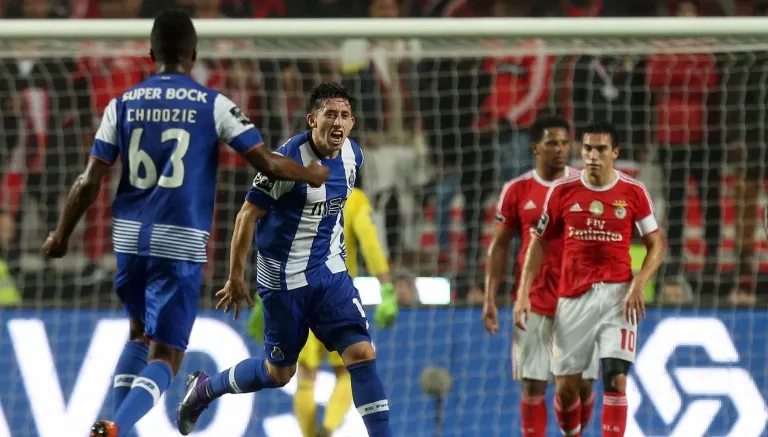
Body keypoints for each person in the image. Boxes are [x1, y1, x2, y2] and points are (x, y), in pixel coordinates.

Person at [40, 9, 329, 437]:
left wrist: (60, 234)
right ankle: (115, 425)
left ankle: (117, 426)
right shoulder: (213, 103)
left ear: (151, 53)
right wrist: (312, 173)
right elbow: (265, 162)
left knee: (138, 333)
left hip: (130, 240)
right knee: (168, 355)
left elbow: (88, 181)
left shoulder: (121, 104)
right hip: (180, 243)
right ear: (193, 55)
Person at [176, 82, 392, 437]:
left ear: (352, 122)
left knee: (362, 354)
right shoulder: (285, 163)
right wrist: (236, 277)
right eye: (329, 115)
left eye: (344, 115)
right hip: (283, 282)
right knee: (280, 374)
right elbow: (246, 216)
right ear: (312, 120)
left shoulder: (354, 156)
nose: (338, 122)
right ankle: (206, 388)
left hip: (329, 275)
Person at [517, 121, 664, 437]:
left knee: (616, 378)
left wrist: (639, 282)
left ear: (615, 153)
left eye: (600, 149)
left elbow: (656, 243)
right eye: (587, 148)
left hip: (619, 296)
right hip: (572, 298)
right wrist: (523, 293)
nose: (592, 155)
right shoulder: (562, 192)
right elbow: (539, 241)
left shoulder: (634, 192)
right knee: (566, 390)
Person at [247, 181, 398, 437]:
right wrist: (386, 287)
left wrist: (264, 295)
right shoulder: (355, 199)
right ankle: (327, 429)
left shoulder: (298, 195)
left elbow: (275, 238)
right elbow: (370, 242)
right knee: (350, 371)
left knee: (305, 380)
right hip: (336, 298)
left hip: (297, 295)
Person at [482, 115, 598, 437]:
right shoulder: (517, 189)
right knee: (533, 384)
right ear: (536, 147)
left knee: (582, 386)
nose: (560, 149)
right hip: (533, 298)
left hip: (580, 297)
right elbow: (500, 245)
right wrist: (490, 297)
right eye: (551, 143)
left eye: (564, 142)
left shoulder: (585, 185)